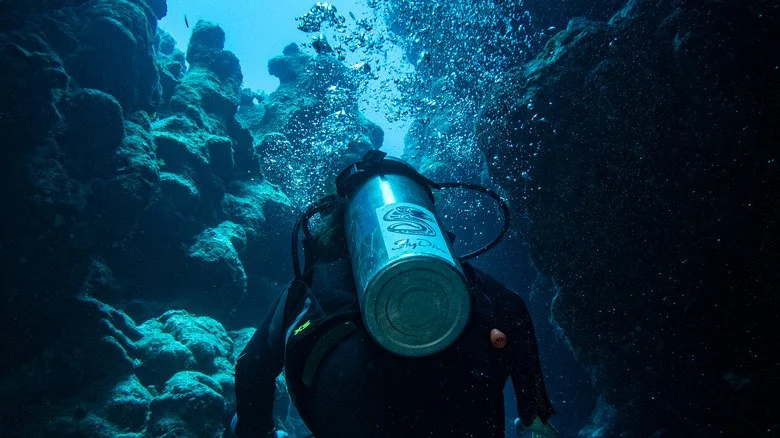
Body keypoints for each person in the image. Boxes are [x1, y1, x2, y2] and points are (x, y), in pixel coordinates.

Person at [232, 197, 558, 438]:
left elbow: (251, 368)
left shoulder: (309, 287)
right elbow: (515, 312)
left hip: (355, 414)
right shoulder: (462, 282)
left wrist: (255, 430)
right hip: (464, 413)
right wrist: (534, 412)